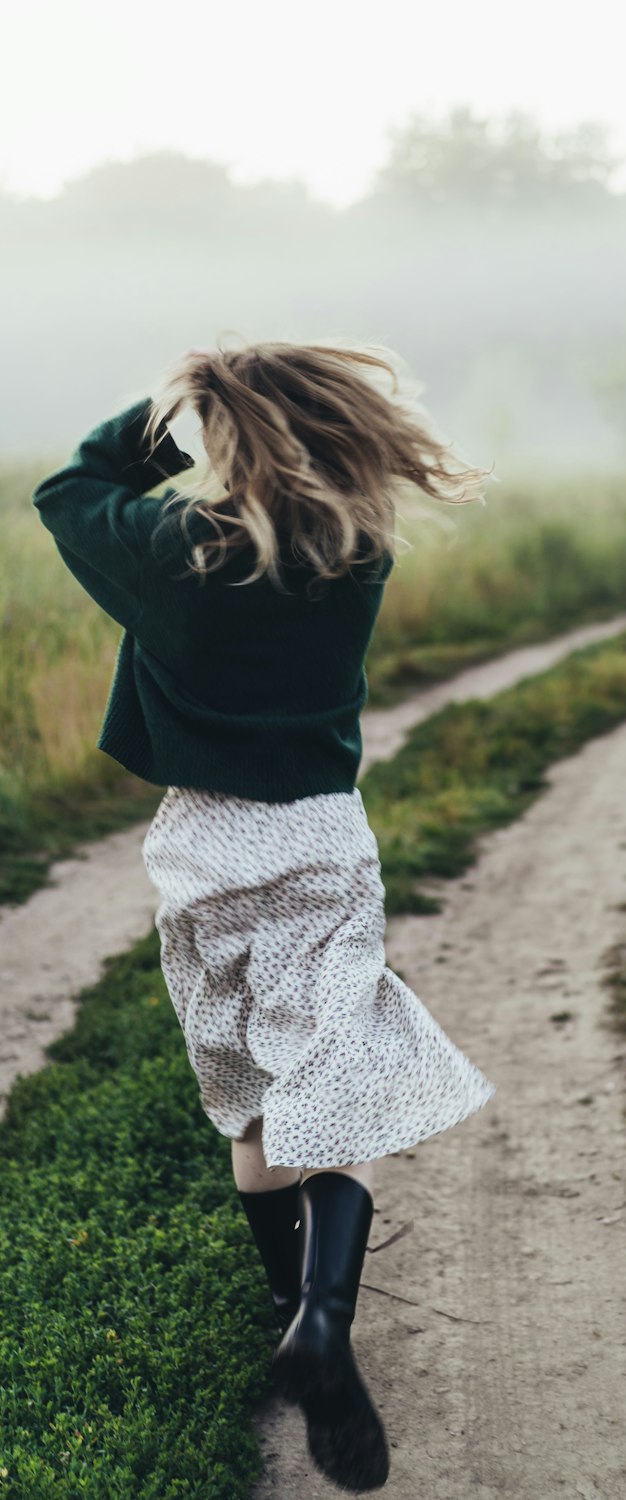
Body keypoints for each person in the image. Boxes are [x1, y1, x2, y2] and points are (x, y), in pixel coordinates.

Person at [31, 337, 498, 1493]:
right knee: (328, 1085)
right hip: (318, 839)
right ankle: (324, 1326)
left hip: (202, 849)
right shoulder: (356, 550)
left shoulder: (172, 551)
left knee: (249, 1104)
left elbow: (68, 490)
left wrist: (166, 412)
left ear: (223, 433)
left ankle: (290, 1311)